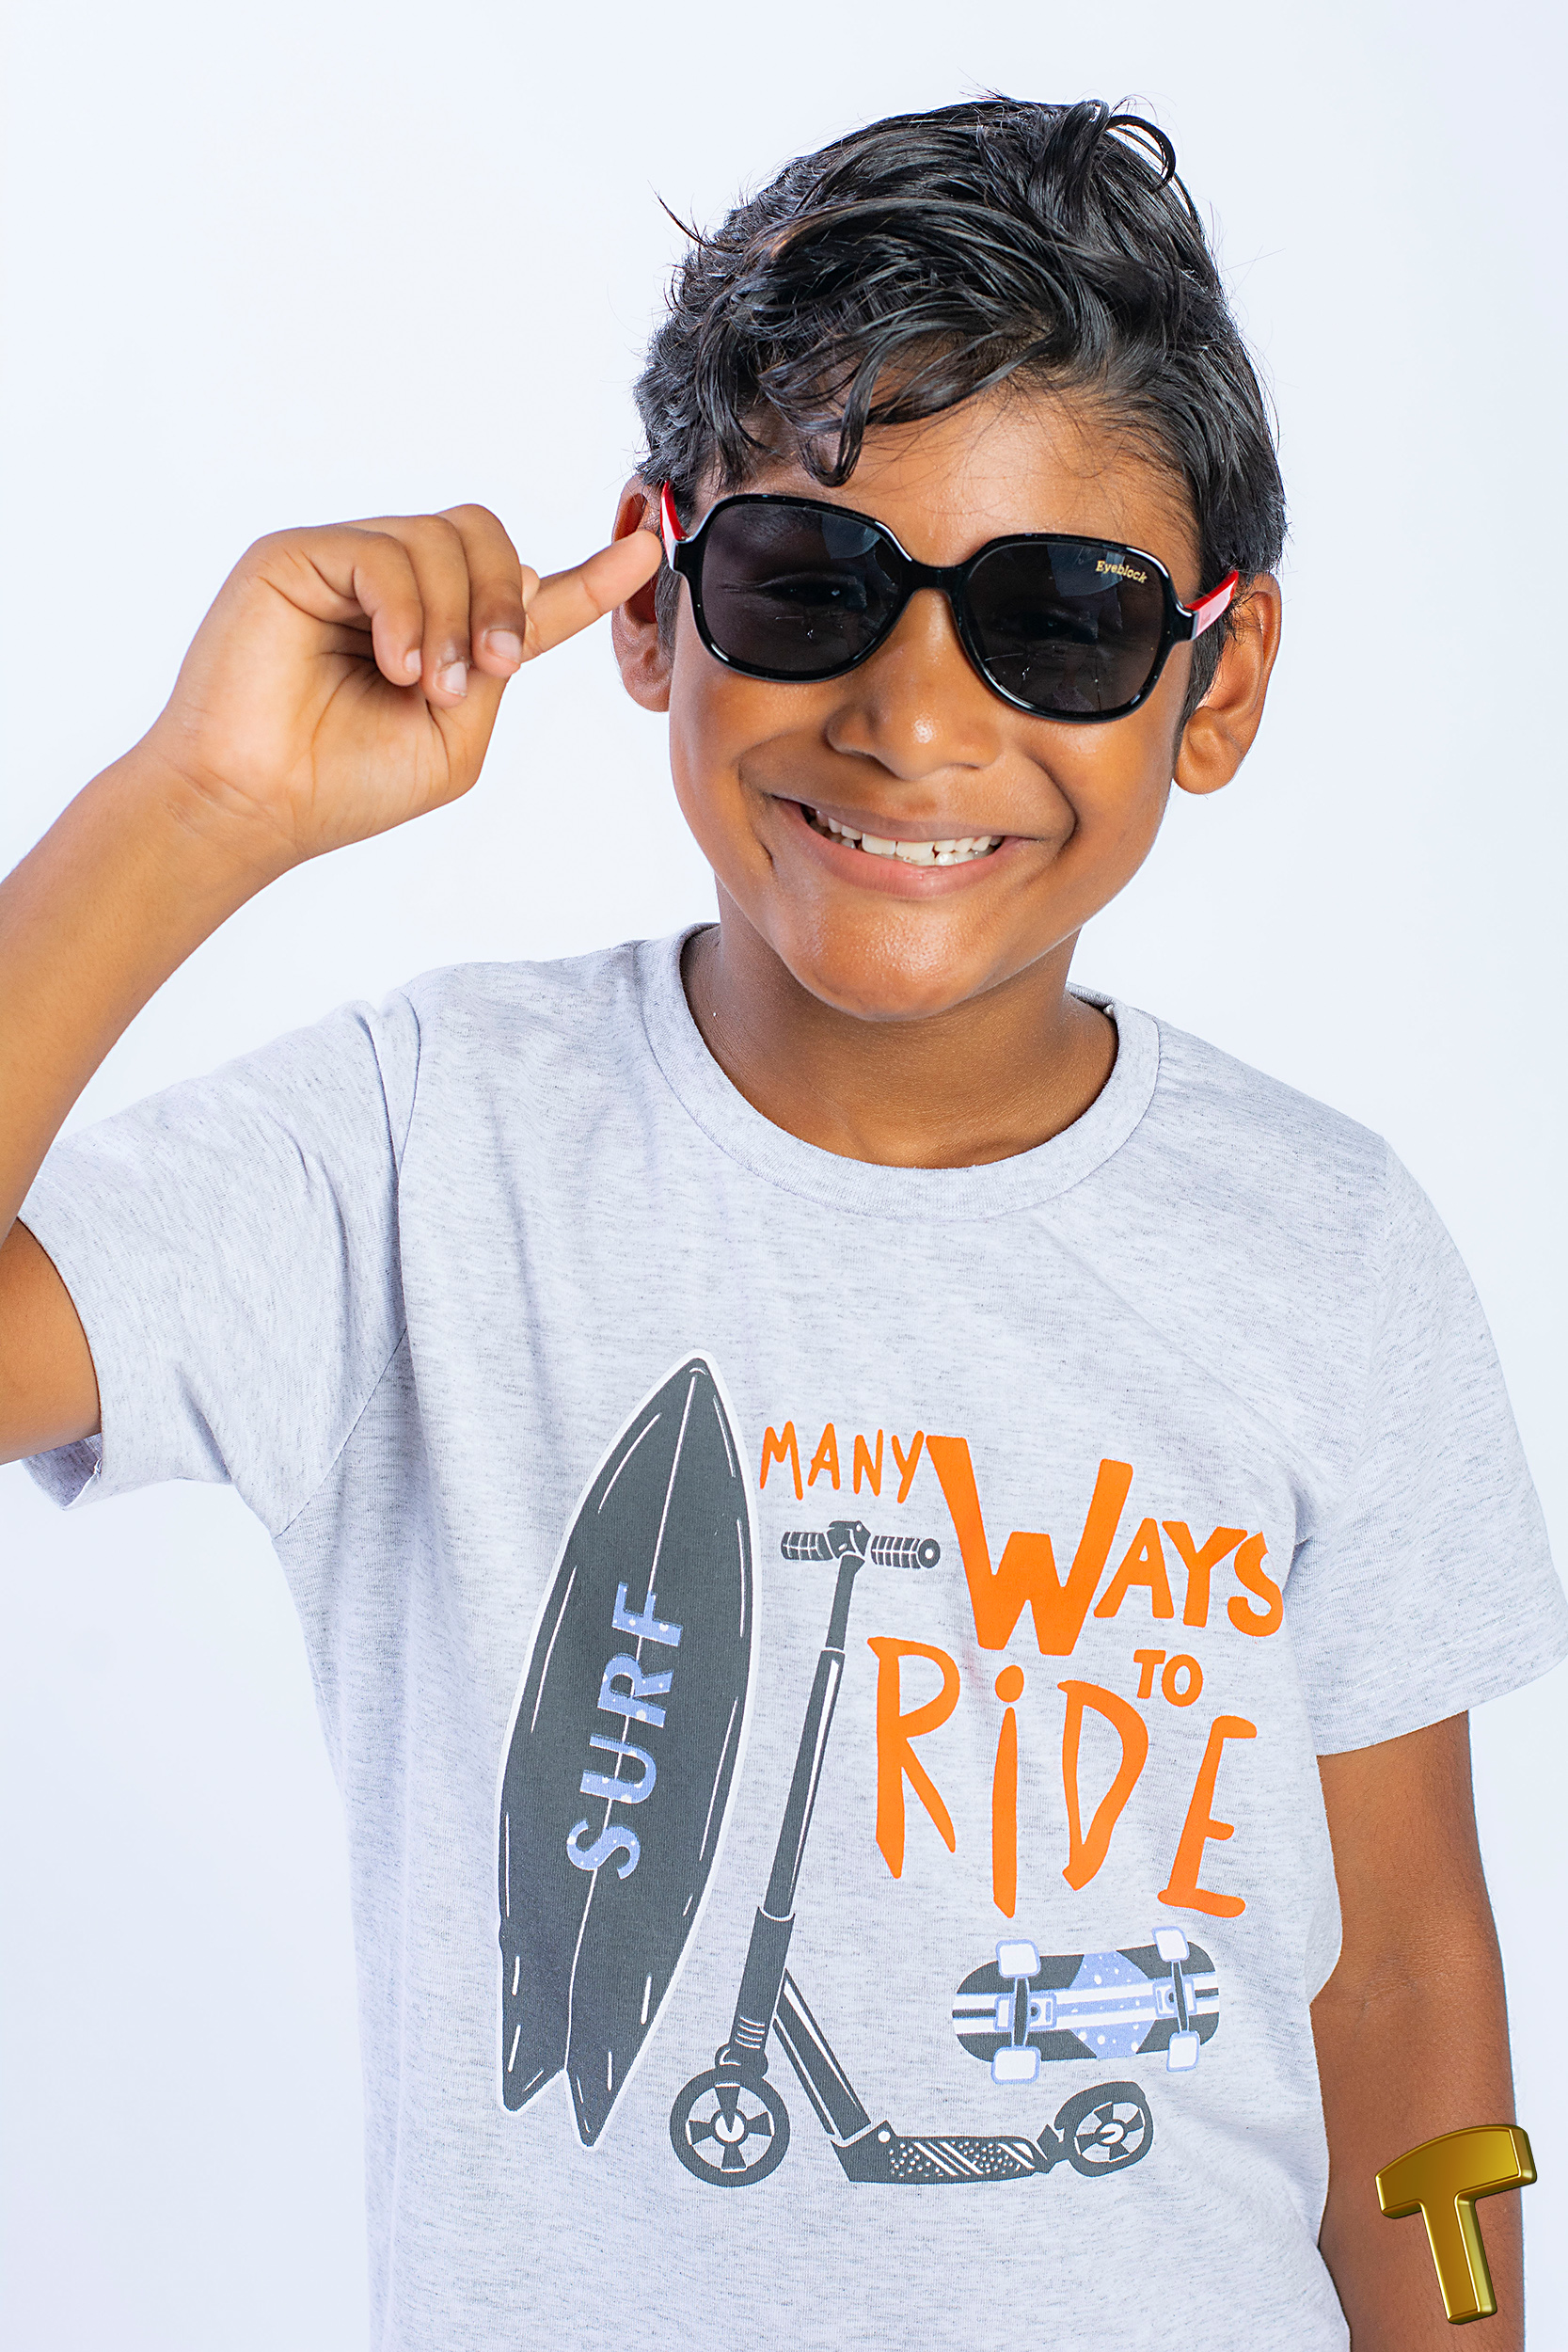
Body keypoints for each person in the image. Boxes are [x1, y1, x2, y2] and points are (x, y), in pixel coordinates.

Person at [0, 95, 1560, 2352]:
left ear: (1218, 682)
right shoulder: (424, 1153)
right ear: (651, 603)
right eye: (812, 583)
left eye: (1060, 620)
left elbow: (1405, 1983)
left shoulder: (1328, 1248)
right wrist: (199, 803)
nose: (915, 719)